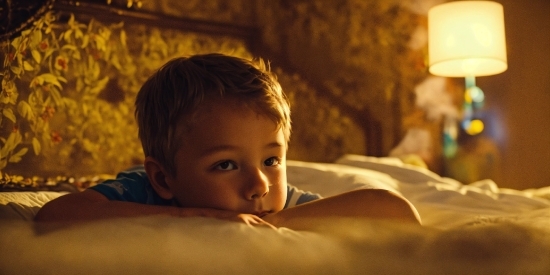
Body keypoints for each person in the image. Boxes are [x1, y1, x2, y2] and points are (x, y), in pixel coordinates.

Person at [35, 53, 421, 228]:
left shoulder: (281, 206)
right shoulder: (143, 192)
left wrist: (282, 221)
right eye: (226, 165)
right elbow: (54, 216)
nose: (259, 186)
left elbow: (394, 211)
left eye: (272, 161)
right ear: (165, 179)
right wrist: (190, 217)